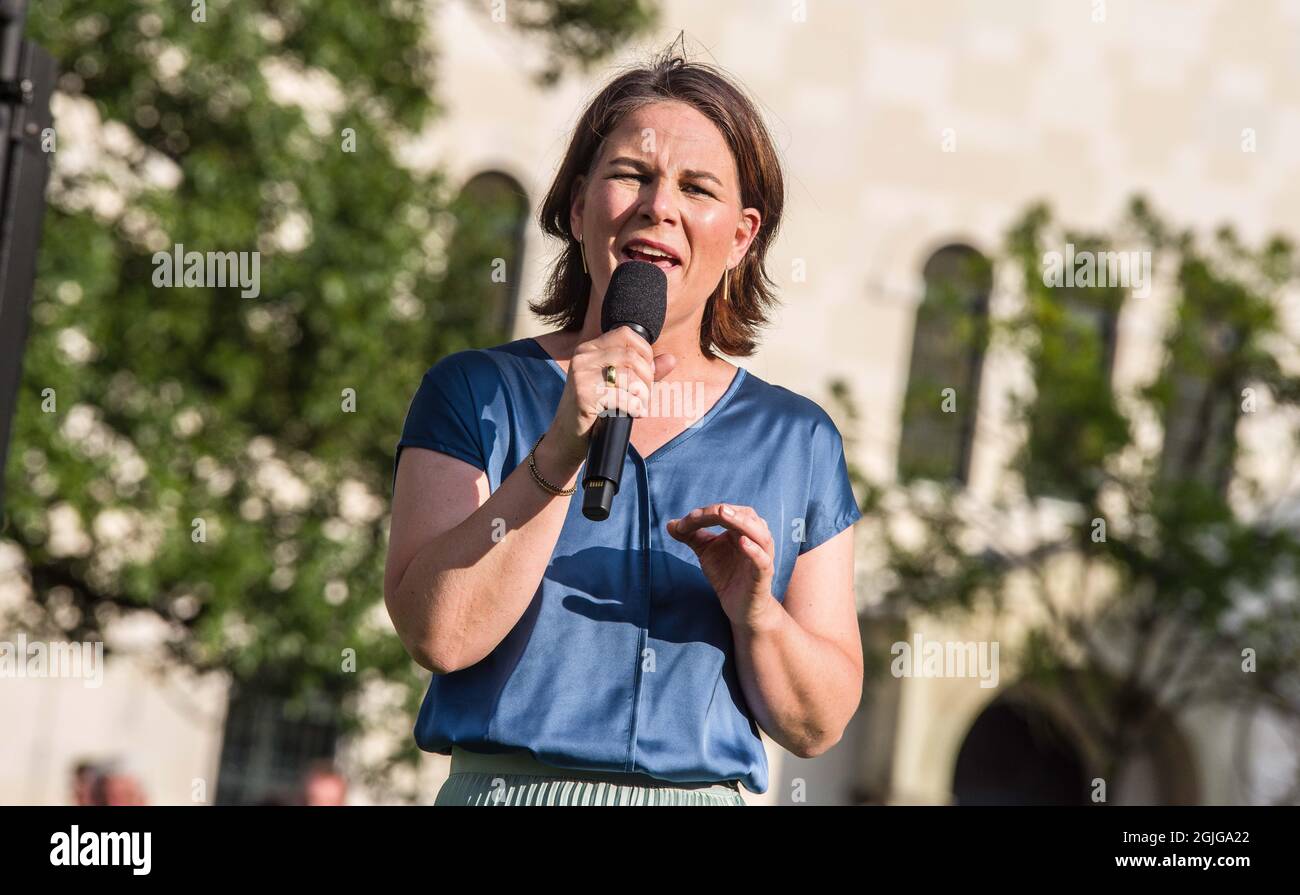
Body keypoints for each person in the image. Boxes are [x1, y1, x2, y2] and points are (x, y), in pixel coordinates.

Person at [385, 43, 863, 806]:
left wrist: (757, 615)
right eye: (631, 175)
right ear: (578, 208)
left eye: (696, 187)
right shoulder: (473, 391)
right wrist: (558, 453)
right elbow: (438, 634)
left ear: (741, 236)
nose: (658, 206)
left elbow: (818, 723)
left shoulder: (798, 438)